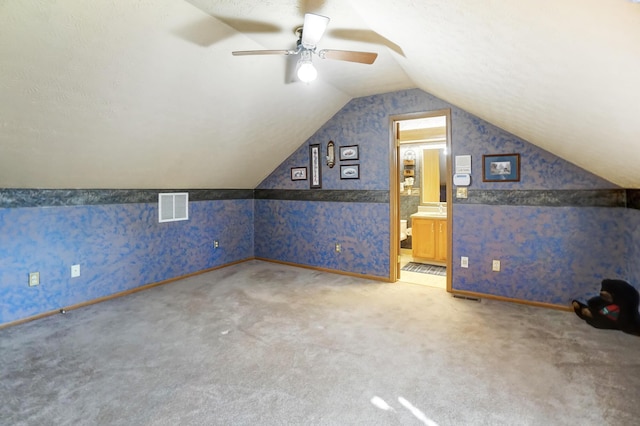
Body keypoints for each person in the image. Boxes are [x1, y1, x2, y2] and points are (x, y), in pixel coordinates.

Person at [572, 279, 640, 336]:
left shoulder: (626, 310)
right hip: (610, 312)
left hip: (618, 317)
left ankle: (589, 313)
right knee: (598, 309)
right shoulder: (611, 305)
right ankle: (587, 311)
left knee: (601, 320)